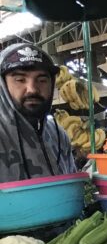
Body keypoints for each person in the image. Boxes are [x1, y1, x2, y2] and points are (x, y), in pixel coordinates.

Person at [0, 43, 76, 183]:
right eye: (20, 80)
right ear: (2, 85)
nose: (32, 89)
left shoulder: (57, 134)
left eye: (42, 80)